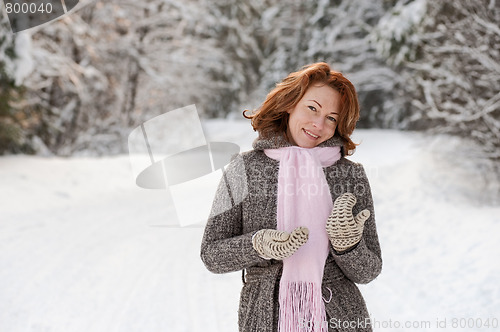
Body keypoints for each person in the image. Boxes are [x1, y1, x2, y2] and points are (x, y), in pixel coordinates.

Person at [200, 62, 382, 332]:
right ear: (290, 103)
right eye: (312, 108)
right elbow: (212, 255)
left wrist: (348, 246)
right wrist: (257, 245)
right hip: (265, 320)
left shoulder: (349, 176)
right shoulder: (244, 169)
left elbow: (369, 270)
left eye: (332, 118)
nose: (318, 124)